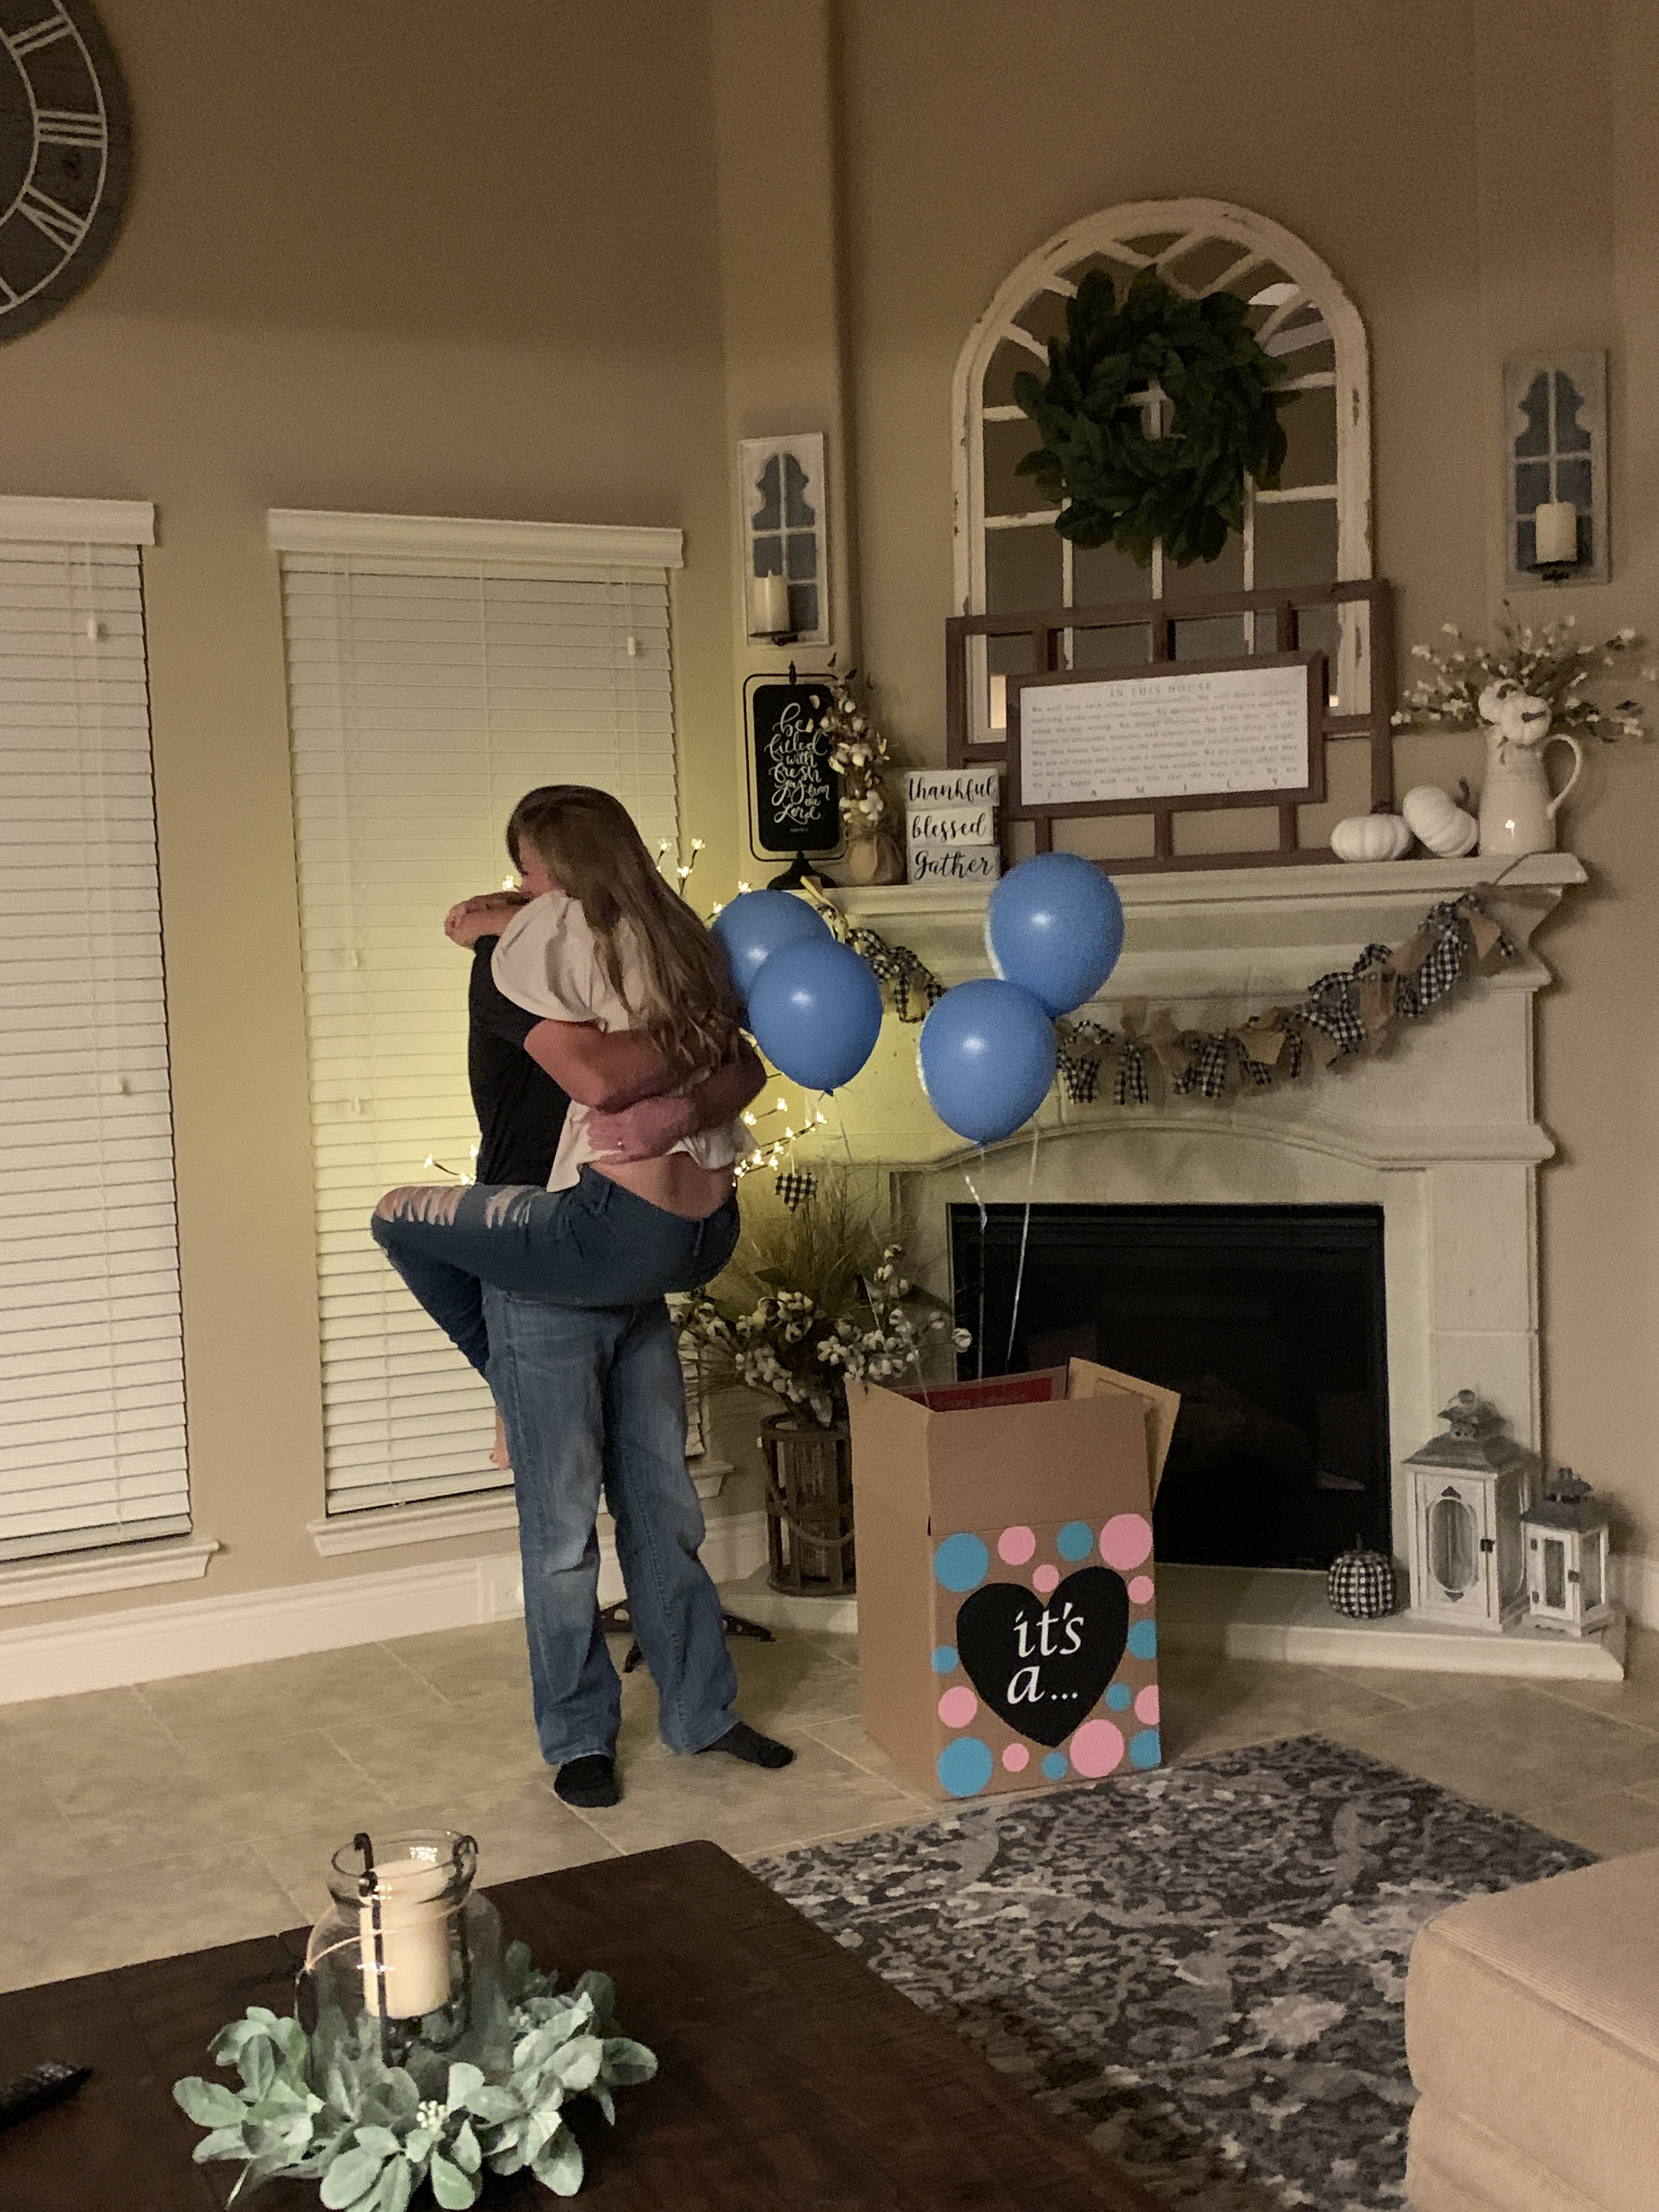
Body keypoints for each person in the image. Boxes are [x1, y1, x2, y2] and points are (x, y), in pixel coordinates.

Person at [375, 785, 789, 1809]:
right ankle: (577, 1738)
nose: (523, 890)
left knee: (664, 1510)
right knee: (562, 1537)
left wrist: (699, 1070)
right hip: (541, 1265)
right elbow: (599, 1081)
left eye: (529, 873)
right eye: (520, 881)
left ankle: (701, 1712)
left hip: (615, 1261)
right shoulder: (512, 970)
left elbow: (740, 1067)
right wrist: (704, 1035)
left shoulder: (631, 953)